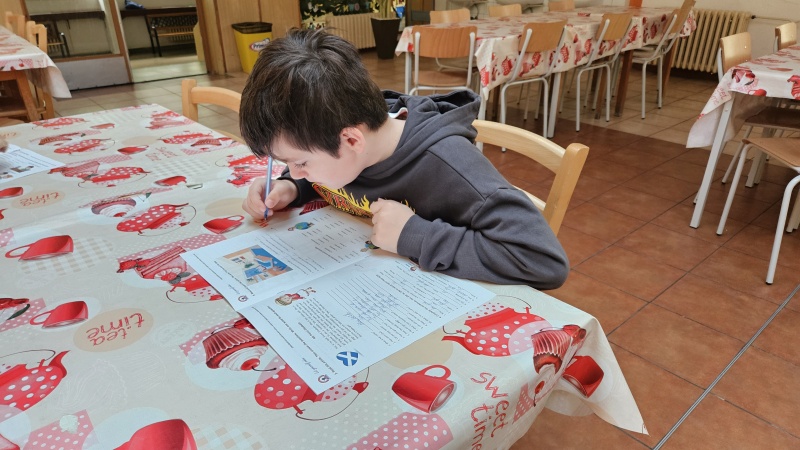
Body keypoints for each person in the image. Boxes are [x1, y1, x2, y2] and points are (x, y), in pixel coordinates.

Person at [239, 29, 569, 290]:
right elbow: (325, 170)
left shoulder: (452, 168)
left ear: (352, 140)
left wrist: (414, 235)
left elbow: (543, 262)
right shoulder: (343, 136)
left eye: (300, 163)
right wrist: (291, 187)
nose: (295, 171)